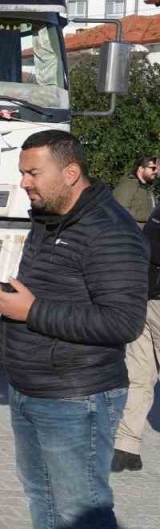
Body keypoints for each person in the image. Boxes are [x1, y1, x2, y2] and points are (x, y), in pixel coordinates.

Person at [0, 130, 147, 529]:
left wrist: (30, 311)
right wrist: (1, 294)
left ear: (70, 173)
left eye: (33, 173)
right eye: (22, 173)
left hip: (77, 398)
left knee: (80, 511)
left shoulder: (111, 231)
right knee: (42, 500)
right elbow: (50, 292)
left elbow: (123, 322)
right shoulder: (48, 219)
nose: (24, 183)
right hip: (30, 387)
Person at [112, 200, 160, 472]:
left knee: (139, 376)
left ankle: (126, 449)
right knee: (139, 376)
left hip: (143, 298)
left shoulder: (156, 211)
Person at [112, 155, 157, 225]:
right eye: (153, 168)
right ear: (141, 169)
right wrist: (149, 217)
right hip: (132, 233)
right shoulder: (127, 185)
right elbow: (119, 210)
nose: (156, 171)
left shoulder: (148, 189)